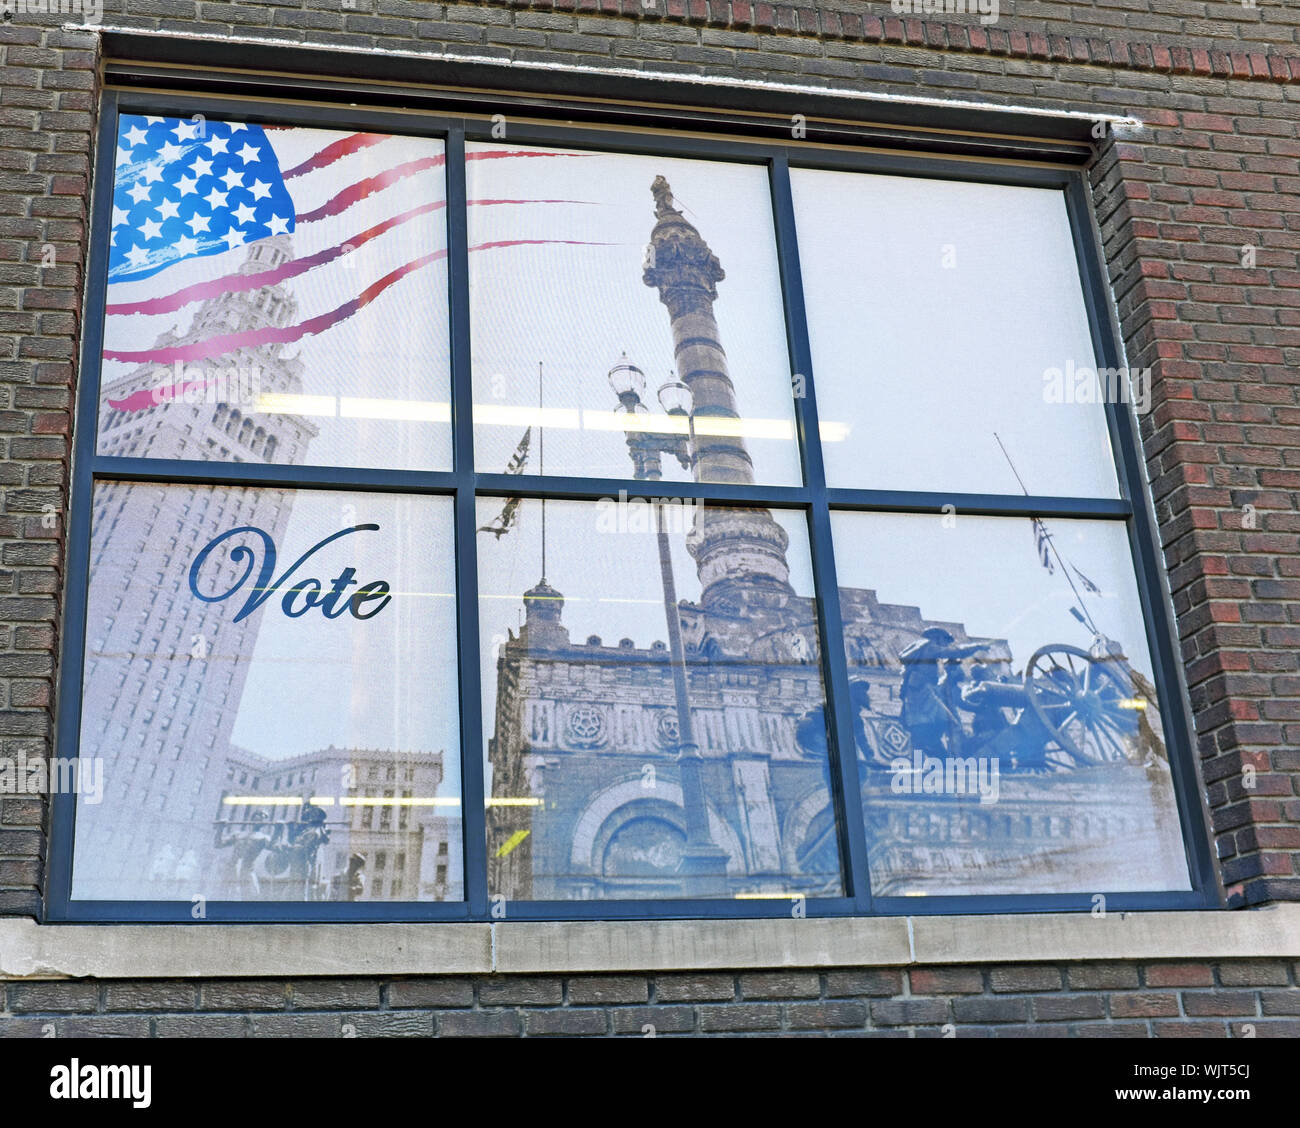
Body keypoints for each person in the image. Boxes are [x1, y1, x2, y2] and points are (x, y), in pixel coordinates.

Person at [899, 627, 986, 755]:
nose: (946, 644)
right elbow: (957, 652)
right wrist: (978, 646)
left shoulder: (920, 648)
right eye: (945, 641)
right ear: (937, 637)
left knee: (932, 727)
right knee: (949, 723)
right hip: (923, 691)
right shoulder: (929, 646)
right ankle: (946, 754)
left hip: (919, 690)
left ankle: (935, 748)